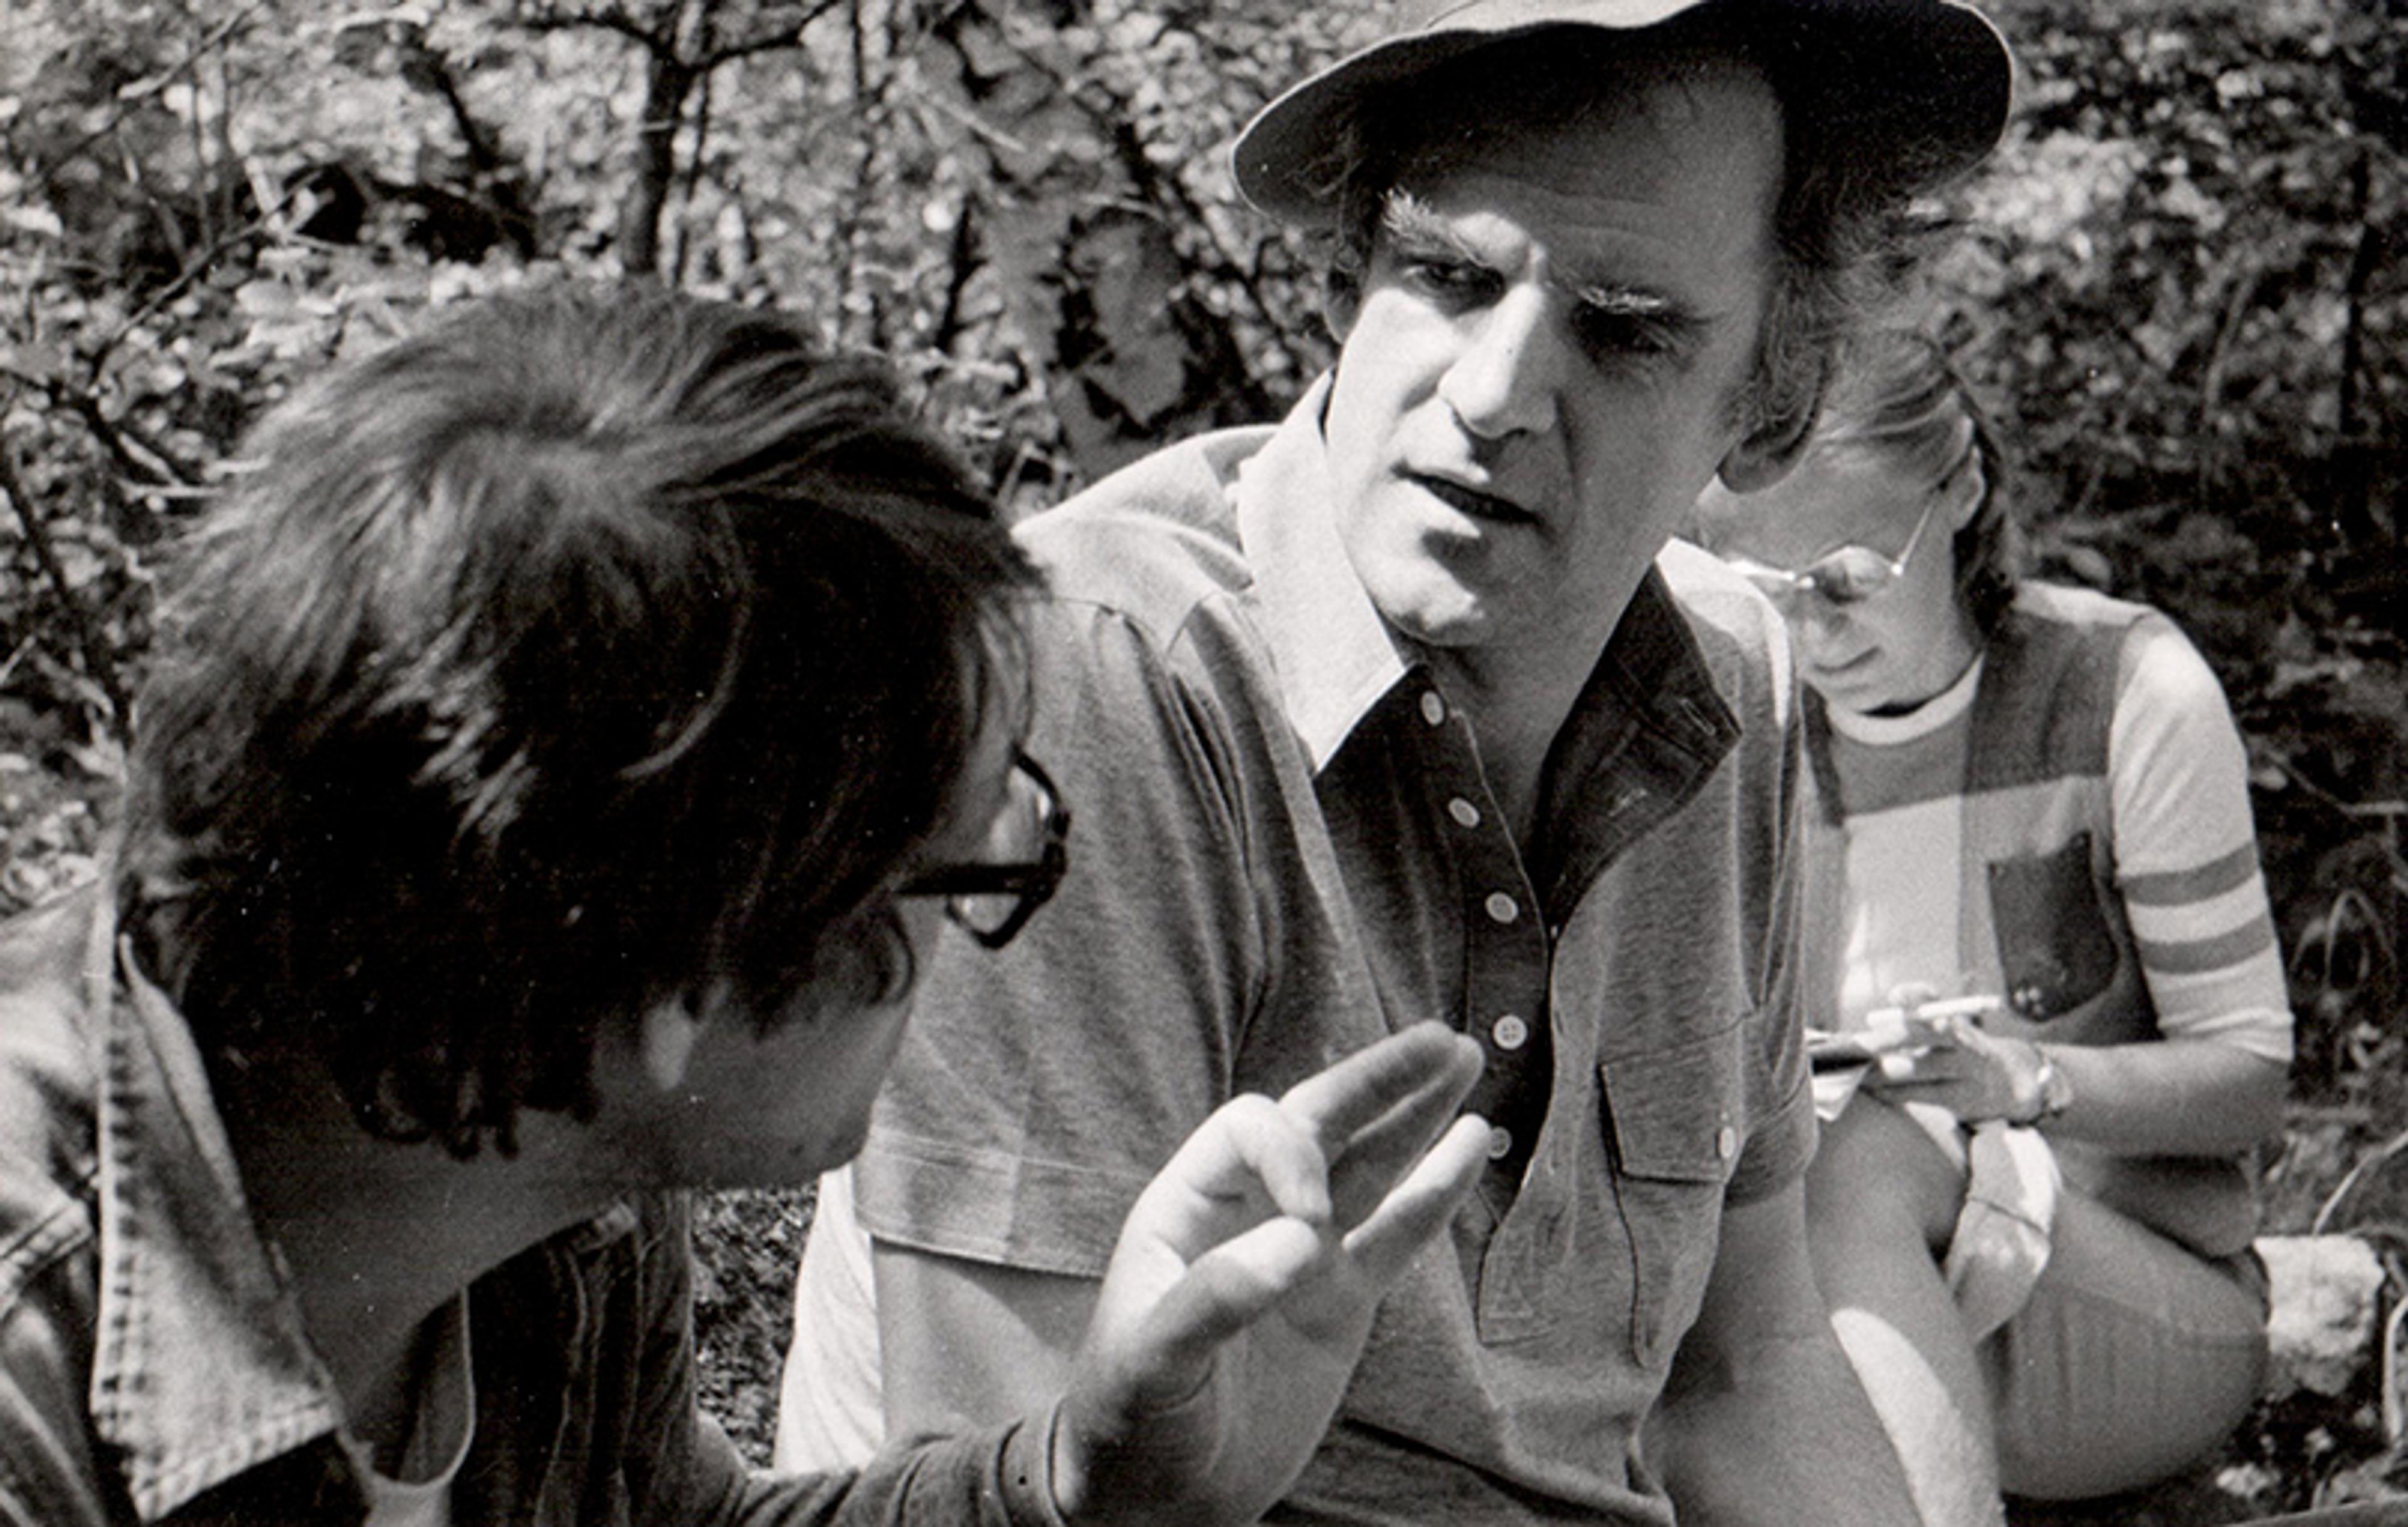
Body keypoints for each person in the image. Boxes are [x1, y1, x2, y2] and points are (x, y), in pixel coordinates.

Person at [779, 3, 2014, 1522]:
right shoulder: (1103, 674)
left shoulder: (1735, 688)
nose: (1494, 393)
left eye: (1622, 329)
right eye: (1448, 276)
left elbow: (1747, 1370)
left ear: (1766, 411)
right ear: (1351, 278)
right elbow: (1011, 1455)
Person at [0, 285, 1497, 1527]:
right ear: (684, 987)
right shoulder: (32, 1392)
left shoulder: (535, 1143)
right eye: (976, 865)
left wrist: (1076, 1479)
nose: (1006, 910)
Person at [1689, 330, 2294, 1525]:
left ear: (1959, 488)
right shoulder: (1744, 729)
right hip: (1831, 1311)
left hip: (2128, 1299)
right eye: (1771, 595)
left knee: (1852, 1160)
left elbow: (2250, 1083)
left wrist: (2024, 1081)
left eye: (1851, 578)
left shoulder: (2123, 687)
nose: (1816, 635)